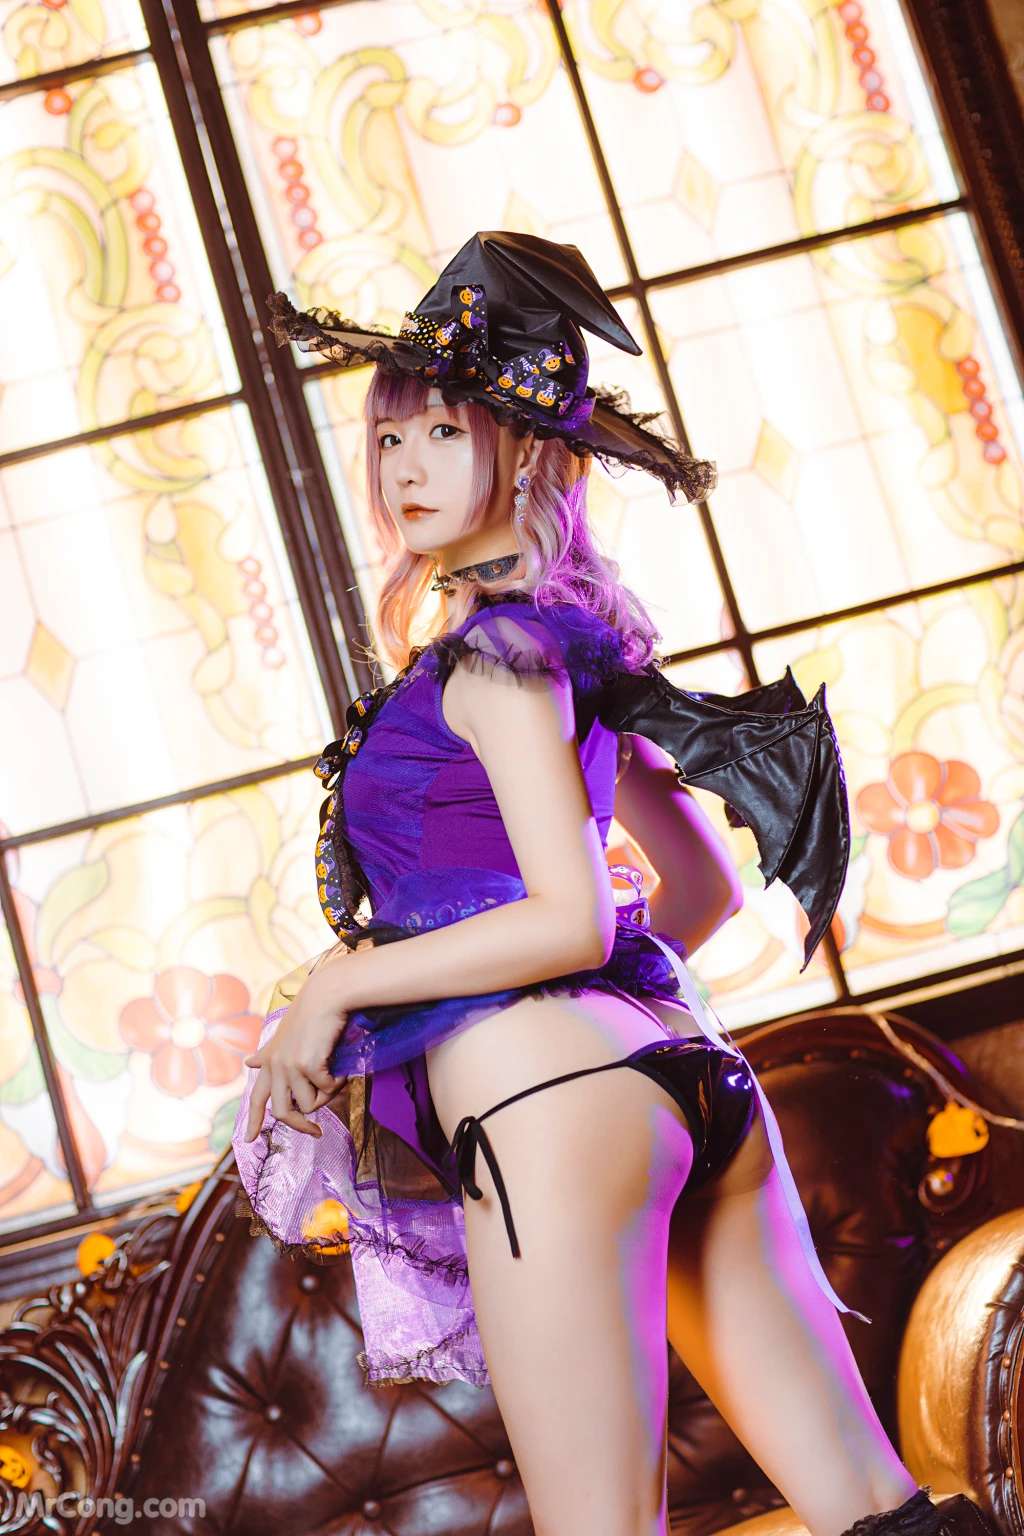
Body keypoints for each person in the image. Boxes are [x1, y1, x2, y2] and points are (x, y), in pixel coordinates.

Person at [232, 233, 991, 1536]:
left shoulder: (493, 661)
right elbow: (698, 891)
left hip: (548, 1112)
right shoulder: (573, 649)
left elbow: (572, 917)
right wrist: (591, 1027)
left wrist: (343, 982)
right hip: (685, 1083)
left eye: (444, 434)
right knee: (875, 1507)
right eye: (391, 436)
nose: (403, 467)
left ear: (528, 452)